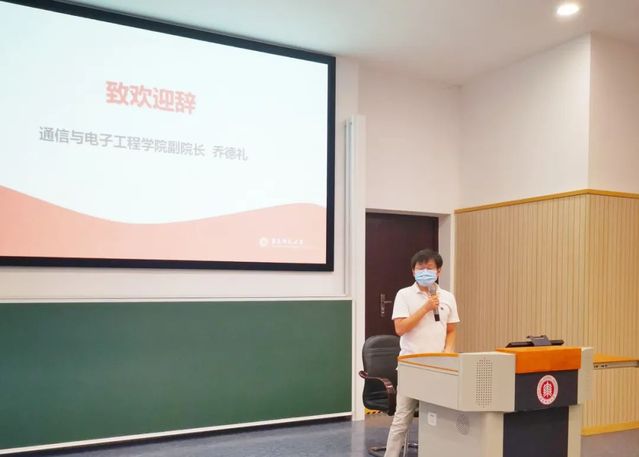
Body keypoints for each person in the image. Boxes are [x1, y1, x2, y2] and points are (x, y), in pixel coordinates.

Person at [384, 248, 460, 457]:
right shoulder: (404, 295)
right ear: (413, 271)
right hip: (411, 365)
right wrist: (426, 308)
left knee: (438, 417)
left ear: (439, 271)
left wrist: (448, 352)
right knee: (402, 418)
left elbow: (451, 330)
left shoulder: (447, 297)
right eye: (420, 268)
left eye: (429, 268)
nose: (425, 272)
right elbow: (400, 328)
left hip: (438, 366)